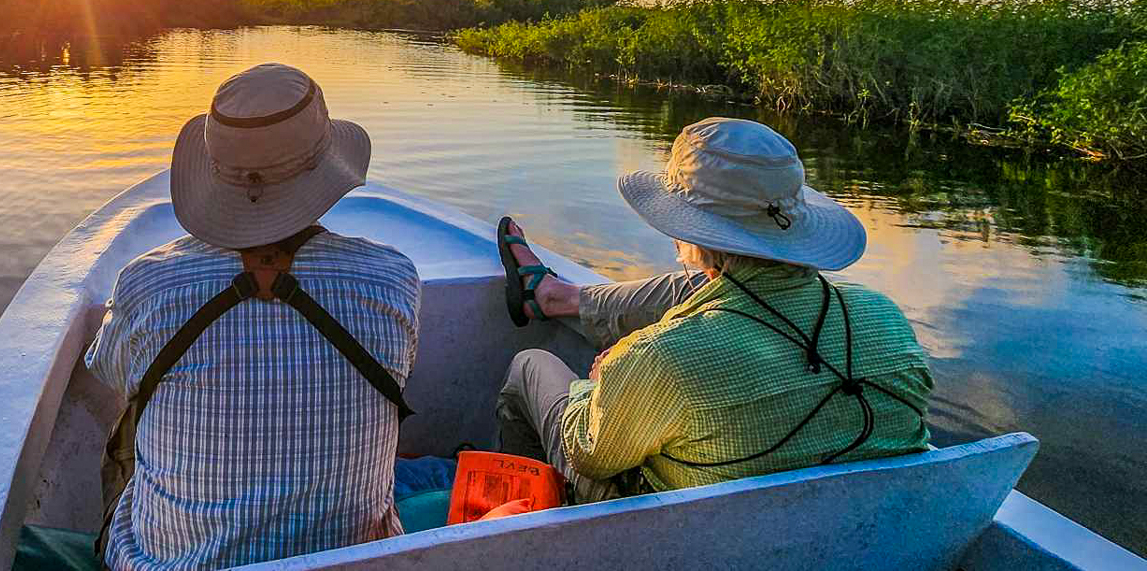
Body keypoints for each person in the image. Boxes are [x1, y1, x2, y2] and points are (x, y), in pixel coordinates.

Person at [86, 63, 421, 571]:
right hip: (356, 562)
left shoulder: (146, 283)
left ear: (214, 172)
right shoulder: (393, 279)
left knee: (135, 407)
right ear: (327, 164)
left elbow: (109, 372)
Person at [494, 117, 933, 503]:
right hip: (834, 528)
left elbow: (588, 455)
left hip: (679, 537)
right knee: (699, 290)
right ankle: (554, 297)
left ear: (692, 234)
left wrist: (599, 385)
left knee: (529, 367)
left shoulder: (656, 360)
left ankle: (517, 517)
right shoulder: (884, 317)